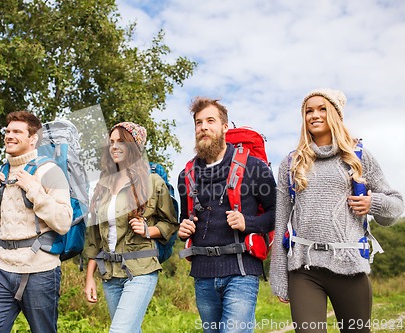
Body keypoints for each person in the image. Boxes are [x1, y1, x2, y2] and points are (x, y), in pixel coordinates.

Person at [269, 88, 404, 333]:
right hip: (304, 268)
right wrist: (279, 274)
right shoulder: (291, 162)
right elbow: (281, 222)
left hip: (350, 266)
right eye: (308, 111)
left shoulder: (358, 156)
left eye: (322, 109)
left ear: (336, 115)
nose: (314, 115)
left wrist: (372, 204)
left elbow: (396, 206)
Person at [177, 97, 276, 333]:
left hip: (241, 272)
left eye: (210, 121)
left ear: (224, 127)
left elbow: (278, 213)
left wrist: (248, 222)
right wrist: (182, 229)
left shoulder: (254, 168)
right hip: (202, 274)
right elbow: (183, 219)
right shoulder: (186, 175)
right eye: (198, 123)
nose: (203, 127)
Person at [0, 111, 73, 333]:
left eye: (17, 132)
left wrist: (34, 191)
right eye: (8, 131)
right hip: (2, 267)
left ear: (33, 139)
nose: (9, 136)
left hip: (41, 270)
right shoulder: (1, 173)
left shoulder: (50, 171)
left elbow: (63, 221)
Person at [83, 121, 179, 333]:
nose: (114, 147)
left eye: (121, 142)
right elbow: (93, 240)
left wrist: (148, 230)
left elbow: (171, 224)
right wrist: (90, 278)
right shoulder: (103, 186)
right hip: (110, 274)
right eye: (111, 142)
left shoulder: (152, 182)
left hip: (141, 270)